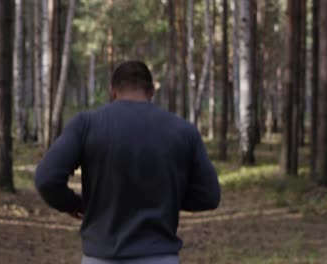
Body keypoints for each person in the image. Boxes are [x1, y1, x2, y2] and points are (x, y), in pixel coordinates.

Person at [35, 61, 221, 264]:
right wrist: (167, 199)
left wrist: (76, 204)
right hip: (160, 257)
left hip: (101, 257)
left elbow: (46, 178)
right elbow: (209, 196)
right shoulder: (183, 131)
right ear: (151, 92)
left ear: (113, 91)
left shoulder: (86, 124)